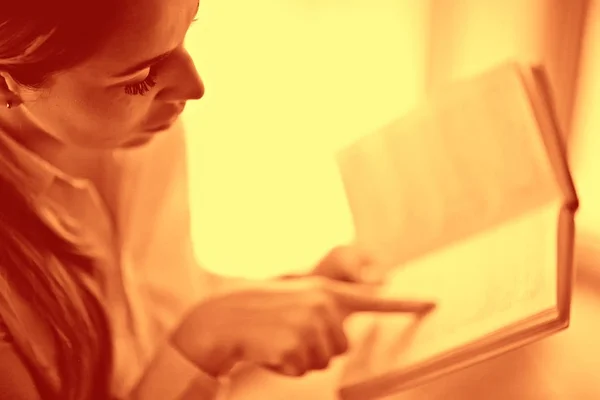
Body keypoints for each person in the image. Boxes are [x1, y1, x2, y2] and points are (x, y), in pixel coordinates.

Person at [0, 0, 435, 399]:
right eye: (139, 79)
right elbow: (185, 341)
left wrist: (286, 298)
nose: (193, 87)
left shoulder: (145, 139)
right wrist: (204, 343)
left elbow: (152, 317)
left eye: (187, 31)